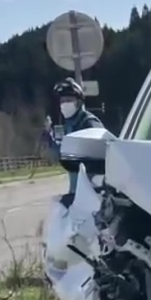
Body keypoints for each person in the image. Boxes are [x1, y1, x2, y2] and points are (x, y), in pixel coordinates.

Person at [45, 78, 103, 206]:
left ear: (79, 102)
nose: (64, 104)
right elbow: (65, 152)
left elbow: (101, 156)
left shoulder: (89, 123)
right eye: (62, 101)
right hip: (76, 192)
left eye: (69, 100)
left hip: (93, 193)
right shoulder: (69, 125)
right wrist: (49, 137)